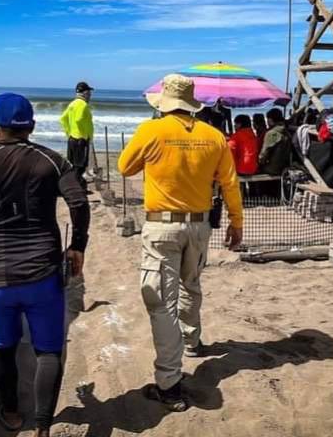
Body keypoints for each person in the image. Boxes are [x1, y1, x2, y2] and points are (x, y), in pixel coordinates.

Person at [0, 92, 90, 437]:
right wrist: (77, 248)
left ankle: (11, 414)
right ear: (32, 126)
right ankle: (43, 427)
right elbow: (79, 203)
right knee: (48, 350)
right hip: (43, 276)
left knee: (3, 348)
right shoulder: (52, 161)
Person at [117, 74, 244, 412]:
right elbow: (231, 183)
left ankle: (169, 381)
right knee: (191, 285)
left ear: (164, 103)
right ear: (192, 103)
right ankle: (191, 341)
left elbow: (124, 166)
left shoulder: (151, 131)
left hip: (162, 228)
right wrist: (236, 222)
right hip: (200, 226)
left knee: (160, 301)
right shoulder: (214, 136)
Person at [60, 81, 95, 189]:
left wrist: (69, 133)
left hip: (72, 138)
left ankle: (73, 185)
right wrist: (85, 134)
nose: (90, 95)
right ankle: (77, 187)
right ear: (84, 93)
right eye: (88, 92)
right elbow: (79, 119)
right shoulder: (83, 104)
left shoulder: (72, 103)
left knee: (73, 164)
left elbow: (63, 119)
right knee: (81, 165)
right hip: (81, 139)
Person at [258, 108, 291, 176]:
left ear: (270, 120)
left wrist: (259, 162)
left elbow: (262, 156)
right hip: (285, 167)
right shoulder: (286, 131)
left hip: (273, 169)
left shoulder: (272, 133)